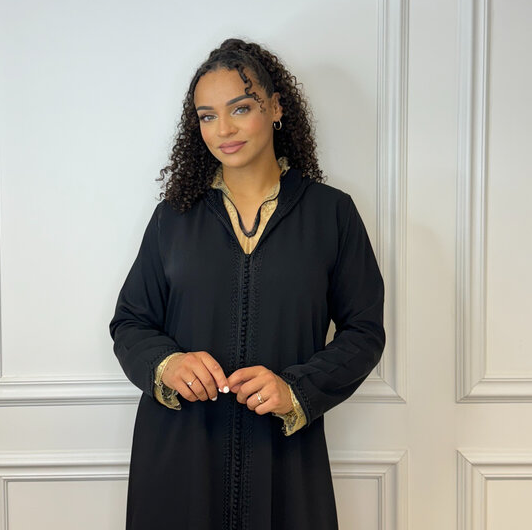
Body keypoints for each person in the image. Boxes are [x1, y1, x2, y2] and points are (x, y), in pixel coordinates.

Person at [109, 37, 385, 530]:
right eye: (207, 116)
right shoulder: (174, 218)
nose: (224, 129)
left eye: (240, 108)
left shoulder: (331, 214)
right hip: (178, 457)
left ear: (276, 108)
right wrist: (167, 364)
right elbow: (130, 322)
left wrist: (296, 390)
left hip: (283, 457)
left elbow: (364, 331)